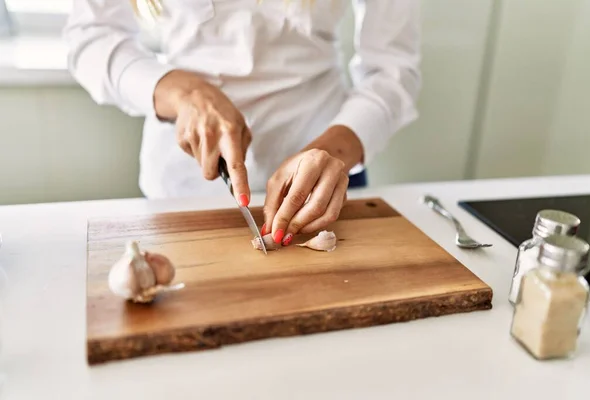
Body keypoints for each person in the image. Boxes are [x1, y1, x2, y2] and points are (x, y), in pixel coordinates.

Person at [64, 0, 421, 246]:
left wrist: (332, 149)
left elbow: (393, 69)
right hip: (183, 185)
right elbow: (91, 36)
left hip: (328, 174)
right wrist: (184, 93)